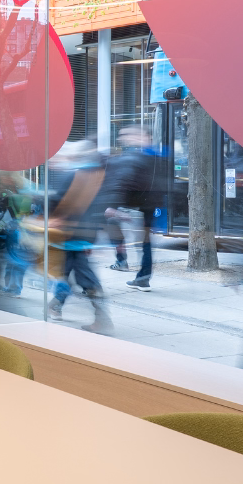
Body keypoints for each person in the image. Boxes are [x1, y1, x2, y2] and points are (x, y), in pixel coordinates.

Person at [45, 142, 113, 334]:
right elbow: (102, 209)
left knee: (79, 276)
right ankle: (57, 305)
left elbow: (57, 202)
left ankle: (101, 319)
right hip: (83, 237)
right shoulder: (99, 178)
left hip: (68, 235)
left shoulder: (73, 176)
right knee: (70, 273)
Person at [101, 126, 162, 291]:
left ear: (143, 136)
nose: (125, 138)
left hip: (144, 206)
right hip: (146, 205)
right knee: (144, 243)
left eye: (129, 135)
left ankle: (141, 278)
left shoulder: (143, 156)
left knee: (145, 243)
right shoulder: (151, 155)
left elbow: (124, 181)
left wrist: (114, 207)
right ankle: (142, 278)